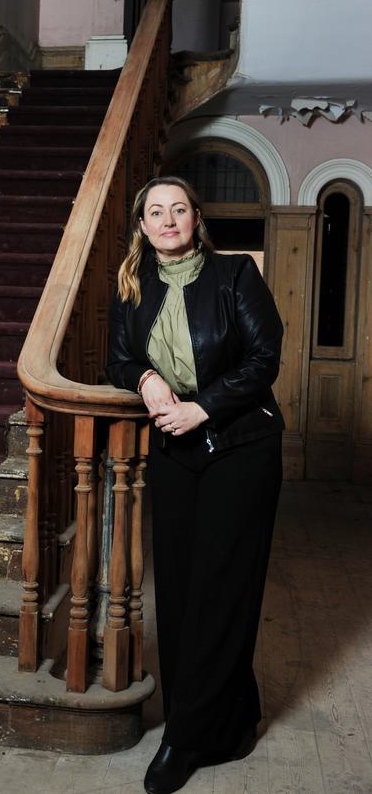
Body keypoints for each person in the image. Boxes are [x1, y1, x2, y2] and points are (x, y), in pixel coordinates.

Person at [106, 176, 285, 794]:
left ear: (196, 217)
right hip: (173, 452)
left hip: (241, 447)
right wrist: (146, 379)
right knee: (179, 591)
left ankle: (185, 737)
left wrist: (202, 407)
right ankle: (226, 717)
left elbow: (266, 358)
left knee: (222, 588)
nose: (168, 219)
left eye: (178, 208)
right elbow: (118, 357)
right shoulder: (134, 284)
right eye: (155, 211)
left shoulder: (235, 276)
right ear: (143, 225)